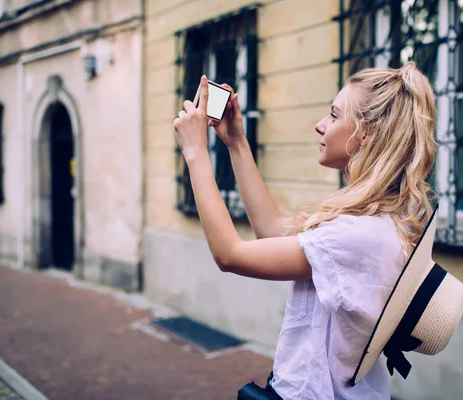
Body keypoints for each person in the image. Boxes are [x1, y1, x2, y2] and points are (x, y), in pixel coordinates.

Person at [172, 61, 437, 400]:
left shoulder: (361, 233)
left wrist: (196, 153)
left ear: (367, 134)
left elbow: (230, 254)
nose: (320, 125)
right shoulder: (376, 221)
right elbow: (273, 232)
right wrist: (236, 143)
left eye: (334, 115)